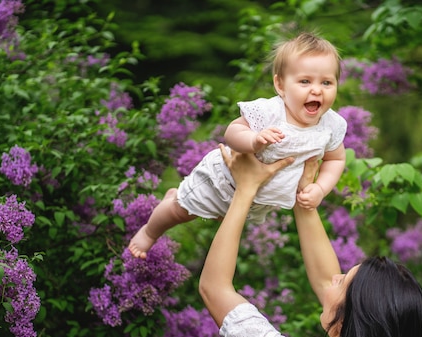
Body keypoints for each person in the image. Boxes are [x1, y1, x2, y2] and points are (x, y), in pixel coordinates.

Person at [199, 145, 422, 337]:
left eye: (342, 281)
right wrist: (304, 195)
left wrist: (246, 189)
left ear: (348, 321)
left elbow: (214, 288)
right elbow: (325, 282)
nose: (334, 277)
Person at [129, 31, 347, 259]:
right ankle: (149, 232)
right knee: (179, 211)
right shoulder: (269, 112)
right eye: (305, 81)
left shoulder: (330, 124)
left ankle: (184, 204)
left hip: (253, 199)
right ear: (280, 85)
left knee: (223, 222)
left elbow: (335, 159)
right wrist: (253, 140)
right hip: (220, 181)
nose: (316, 89)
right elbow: (232, 132)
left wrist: (320, 188)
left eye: (326, 82)